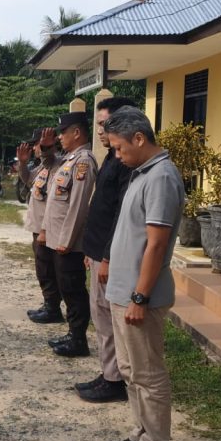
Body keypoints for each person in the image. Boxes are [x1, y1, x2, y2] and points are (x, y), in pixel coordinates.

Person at [102, 106, 184, 441]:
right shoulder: (141, 173)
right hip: (122, 294)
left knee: (148, 372)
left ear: (139, 138)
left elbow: (156, 243)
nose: (117, 155)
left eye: (120, 148)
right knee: (130, 369)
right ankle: (141, 433)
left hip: (139, 297)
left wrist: (140, 296)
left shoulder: (161, 177)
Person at [77, 97, 137, 403]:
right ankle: (108, 372)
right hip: (97, 250)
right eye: (98, 124)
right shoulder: (112, 157)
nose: (100, 130)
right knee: (100, 317)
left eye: (105, 124)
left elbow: (120, 214)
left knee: (107, 318)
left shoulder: (126, 164)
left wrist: (108, 256)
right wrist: (91, 250)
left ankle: (115, 379)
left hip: (108, 254)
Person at [42, 111, 97, 358]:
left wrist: (66, 240)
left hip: (69, 243)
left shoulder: (84, 161)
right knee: (66, 288)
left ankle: (78, 339)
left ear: (76, 133)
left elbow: (78, 206)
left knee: (74, 291)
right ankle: (72, 333)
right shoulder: (69, 159)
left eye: (63, 132)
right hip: (59, 241)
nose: (60, 137)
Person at [16, 126, 65, 324]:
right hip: (39, 228)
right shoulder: (43, 167)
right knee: (43, 268)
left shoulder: (58, 165)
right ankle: (49, 304)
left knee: (49, 270)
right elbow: (28, 179)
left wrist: (44, 229)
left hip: (48, 229)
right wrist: (22, 163)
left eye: (36, 145)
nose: (34, 149)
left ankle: (53, 308)